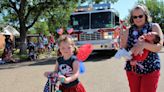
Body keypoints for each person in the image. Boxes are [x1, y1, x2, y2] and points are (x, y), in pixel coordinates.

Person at [120, 4, 163, 92]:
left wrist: (143, 45)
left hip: (151, 69)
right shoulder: (128, 31)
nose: (138, 19)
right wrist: (130, 59)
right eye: (135, 17)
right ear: (132, 18)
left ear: (146, 15)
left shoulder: (154, 27)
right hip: (133, 70)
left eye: (140, 16)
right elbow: (122, 50)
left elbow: (159, 47)